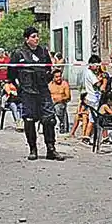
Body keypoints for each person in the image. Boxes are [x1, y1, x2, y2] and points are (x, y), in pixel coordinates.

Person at [9, 27, 64, 161]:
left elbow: (49, 69)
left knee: (49, 119)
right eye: (33, 36)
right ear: (27, 39)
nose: (36, 39)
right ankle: (33, 149)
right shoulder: (19, 53)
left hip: (43, 90)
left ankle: (51, 149)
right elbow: (11, 74)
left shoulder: (43, 52)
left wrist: (47, 78)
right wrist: (19, 88)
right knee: (29, 120)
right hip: (27, 91)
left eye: (37, 36)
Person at [49, 67, 73, 135]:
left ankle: (62, 124)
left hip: (61, 102)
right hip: (51, 102)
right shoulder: (50, 85)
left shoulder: (64, 84)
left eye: (60, 76)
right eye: (56, 77)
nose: (59, 78)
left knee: (58, 108)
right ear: (53, 77)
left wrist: (59, 99)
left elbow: (68, 97)